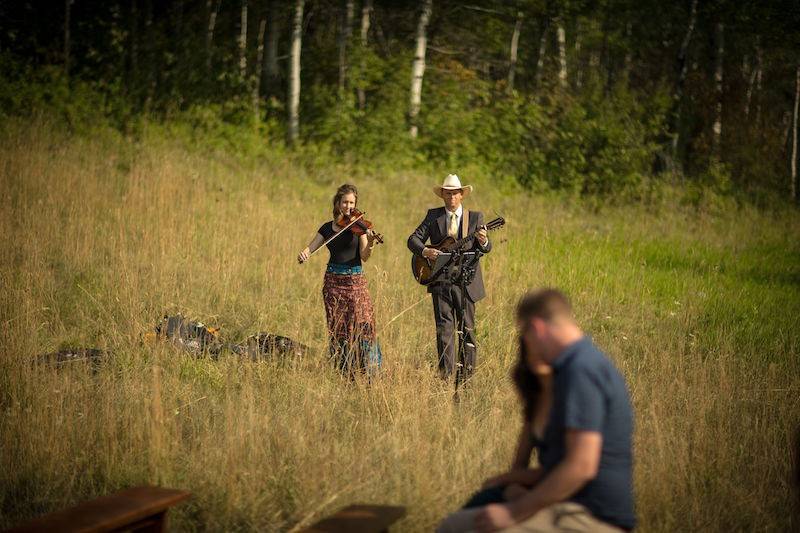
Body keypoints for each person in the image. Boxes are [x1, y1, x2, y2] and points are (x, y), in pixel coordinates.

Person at [438, 289, 636, 532]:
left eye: (525, 334)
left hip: (590, 515)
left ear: (538, 328)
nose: (525, 343)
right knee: (454, 525)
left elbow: (582, 465)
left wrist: (513, 513)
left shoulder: (581, 369)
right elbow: (557, 466)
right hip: (566, 504)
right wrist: (512, 480)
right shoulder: (572, 366)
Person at [407, 174, 491, 380]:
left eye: (455, 193)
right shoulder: (433, 216)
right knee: (444, 330)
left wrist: (484, 241)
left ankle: (466, 378)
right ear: (442, 195)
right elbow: (413, 240)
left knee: (467, 329)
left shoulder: (476, 218)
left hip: (466, 282)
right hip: (440, 281)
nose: (451, 197)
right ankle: (445, 376)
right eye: (447, 193)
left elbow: (486, 248)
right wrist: (426, 252)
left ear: (462, 195)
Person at [297, 183, 381, 377]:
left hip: (355, 281)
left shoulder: (359, 226)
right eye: (345, 202)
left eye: (352, 203)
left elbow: (365, 255)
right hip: (333, 282)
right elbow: (312, 247)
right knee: (338, 326)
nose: (349, 207)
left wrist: (371, 243)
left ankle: (369, 369)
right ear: (337, 203)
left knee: (363, 323)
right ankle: (343, 369)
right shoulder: (327, 228)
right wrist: (305, 253)